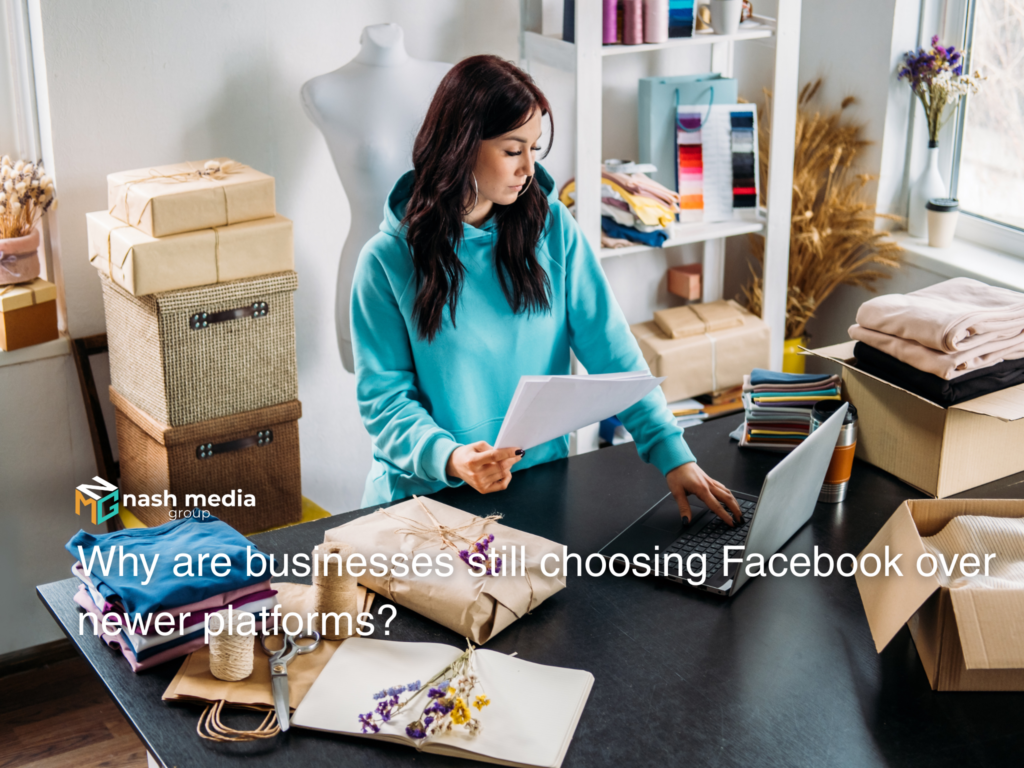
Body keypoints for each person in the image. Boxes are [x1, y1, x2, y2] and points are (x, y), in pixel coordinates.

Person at [351, 55, 741, 526]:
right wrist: (453, 458)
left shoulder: (553, 229)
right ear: (461, 146)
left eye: (535, 149)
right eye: (513, 150)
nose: (529, 168)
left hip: (537, 486)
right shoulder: (385, 262)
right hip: (425, 501)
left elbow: (612, 353)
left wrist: (672, 454)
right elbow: (386, 402)